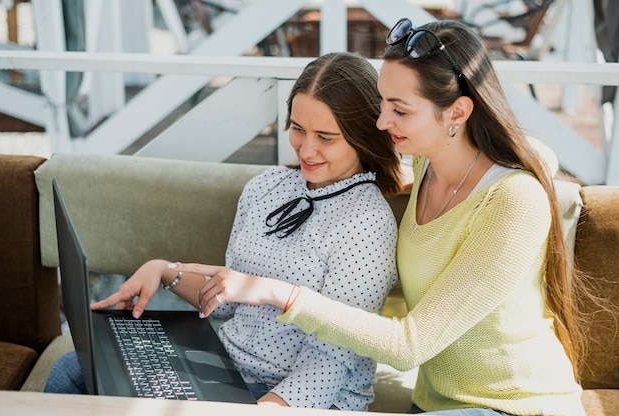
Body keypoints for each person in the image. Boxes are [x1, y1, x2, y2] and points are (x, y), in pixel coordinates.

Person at [178, 19, 596, 415]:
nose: (381, 122)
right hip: (436, 403)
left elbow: (407, 347)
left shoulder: (514, 202)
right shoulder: (424, 166)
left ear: (457, 112)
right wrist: (170, 272)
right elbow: (532, 152)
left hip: (515, 405)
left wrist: (276, 292)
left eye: (399, 109)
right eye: (383, 103)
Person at [44, 51, 403, 410]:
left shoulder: (366, 222)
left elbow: (333, 360)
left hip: (297, 396)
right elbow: (225, 306)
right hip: (227, 368)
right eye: (297, 129)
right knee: (72, 370)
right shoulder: (267, 187)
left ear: (363, 135)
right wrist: (164, 271)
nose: (307, 149)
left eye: (326, 137)